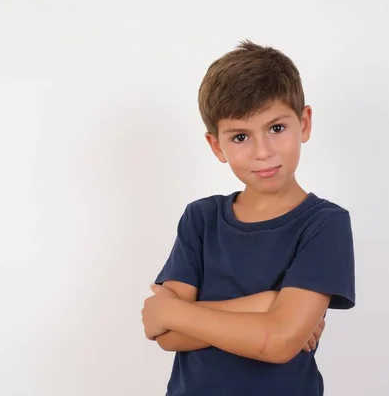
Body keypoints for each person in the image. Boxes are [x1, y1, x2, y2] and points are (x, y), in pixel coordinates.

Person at [141, 39, 356, 396]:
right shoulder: (200, 218)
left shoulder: (324, 224)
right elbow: (165, 335)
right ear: (216, 146)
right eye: (241, 136)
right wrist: (265, 305)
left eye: (276, 128)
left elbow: (277, 342)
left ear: (304, 123)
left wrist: (175, 312)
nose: (263, 152)